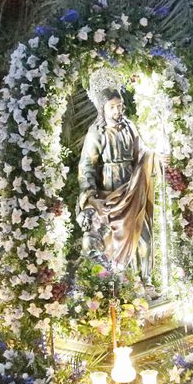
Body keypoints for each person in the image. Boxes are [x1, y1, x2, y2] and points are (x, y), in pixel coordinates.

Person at [76, 87, 153, 278]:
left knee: (144, 238)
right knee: (114, 241)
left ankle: (146, 280)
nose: (118, 111)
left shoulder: (129, 127)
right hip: (110, 195)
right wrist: (92, 198)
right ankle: (120, 282)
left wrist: (157, 156)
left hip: (133, 190)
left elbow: (142, 153)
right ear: (103, 109)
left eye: (120, 106)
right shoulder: (96, 133)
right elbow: (86, 167)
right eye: (112, 107)